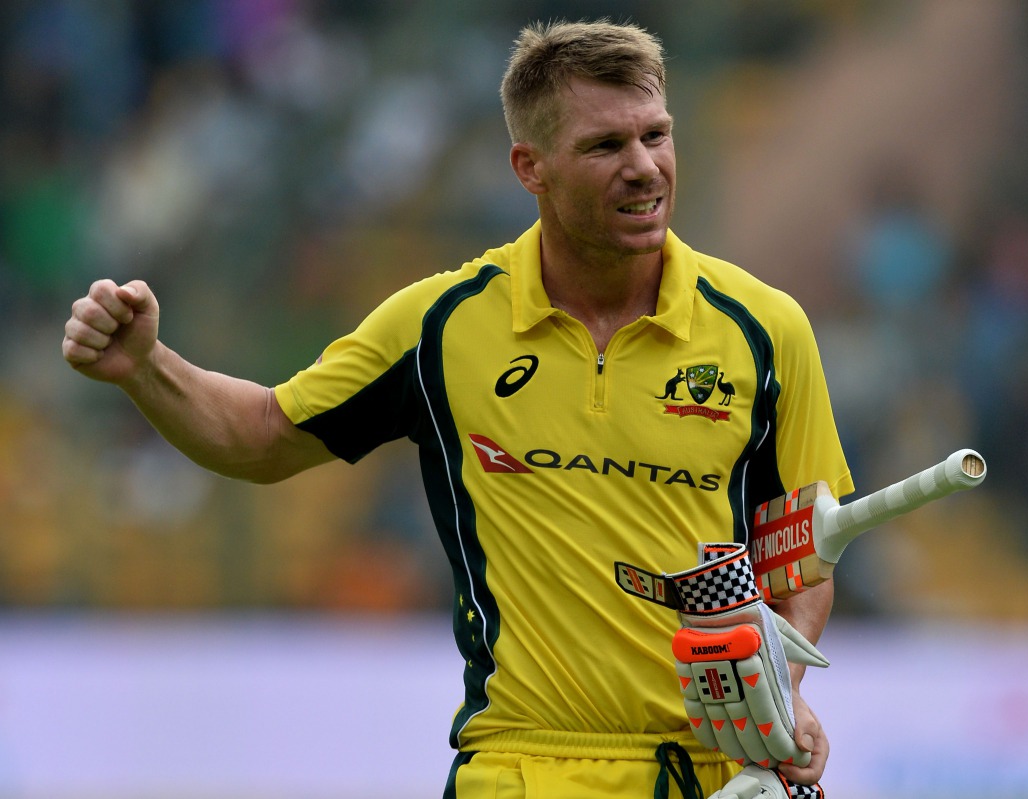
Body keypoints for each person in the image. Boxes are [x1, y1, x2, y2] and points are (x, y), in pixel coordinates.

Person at [62, 19, 853, 799]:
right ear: (529, 167)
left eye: (657, 135)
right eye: (606, 146)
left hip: (712, 770)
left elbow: (803, 549)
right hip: (520, 769)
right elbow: (265, 434)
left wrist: (778, 688)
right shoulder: (443, 323)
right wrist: (146, 367)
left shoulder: (765, 329)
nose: (645, 167)